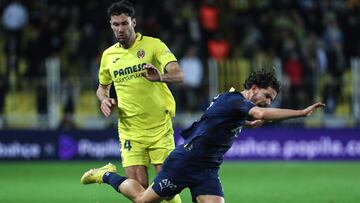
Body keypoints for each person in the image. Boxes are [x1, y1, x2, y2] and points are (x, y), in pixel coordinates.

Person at [81, 69, 325, 203]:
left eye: (272, 99)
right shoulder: (235, 101)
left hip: (208, 169)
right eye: (268, 96)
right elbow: (258, 111)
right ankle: (106, 174)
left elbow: (219, 123)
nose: (269, 101)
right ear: (253, 89)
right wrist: (301, 112)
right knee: (143, 199)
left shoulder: (234, 105)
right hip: (186, 163)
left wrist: (249, 123)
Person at [94, 1, 184, 202]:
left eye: (124, 23)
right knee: (141, 190)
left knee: (167, 189)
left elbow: (178, 75)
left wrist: (160, 76)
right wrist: (104, 100)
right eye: (115, 24)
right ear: (110, 25)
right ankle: (105, 174)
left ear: (133, 22)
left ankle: (105, 175)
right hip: (129, 129)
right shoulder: (109, 56)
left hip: (159, 126)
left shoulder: (154, 45)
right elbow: (102, 88)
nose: (120, 29)